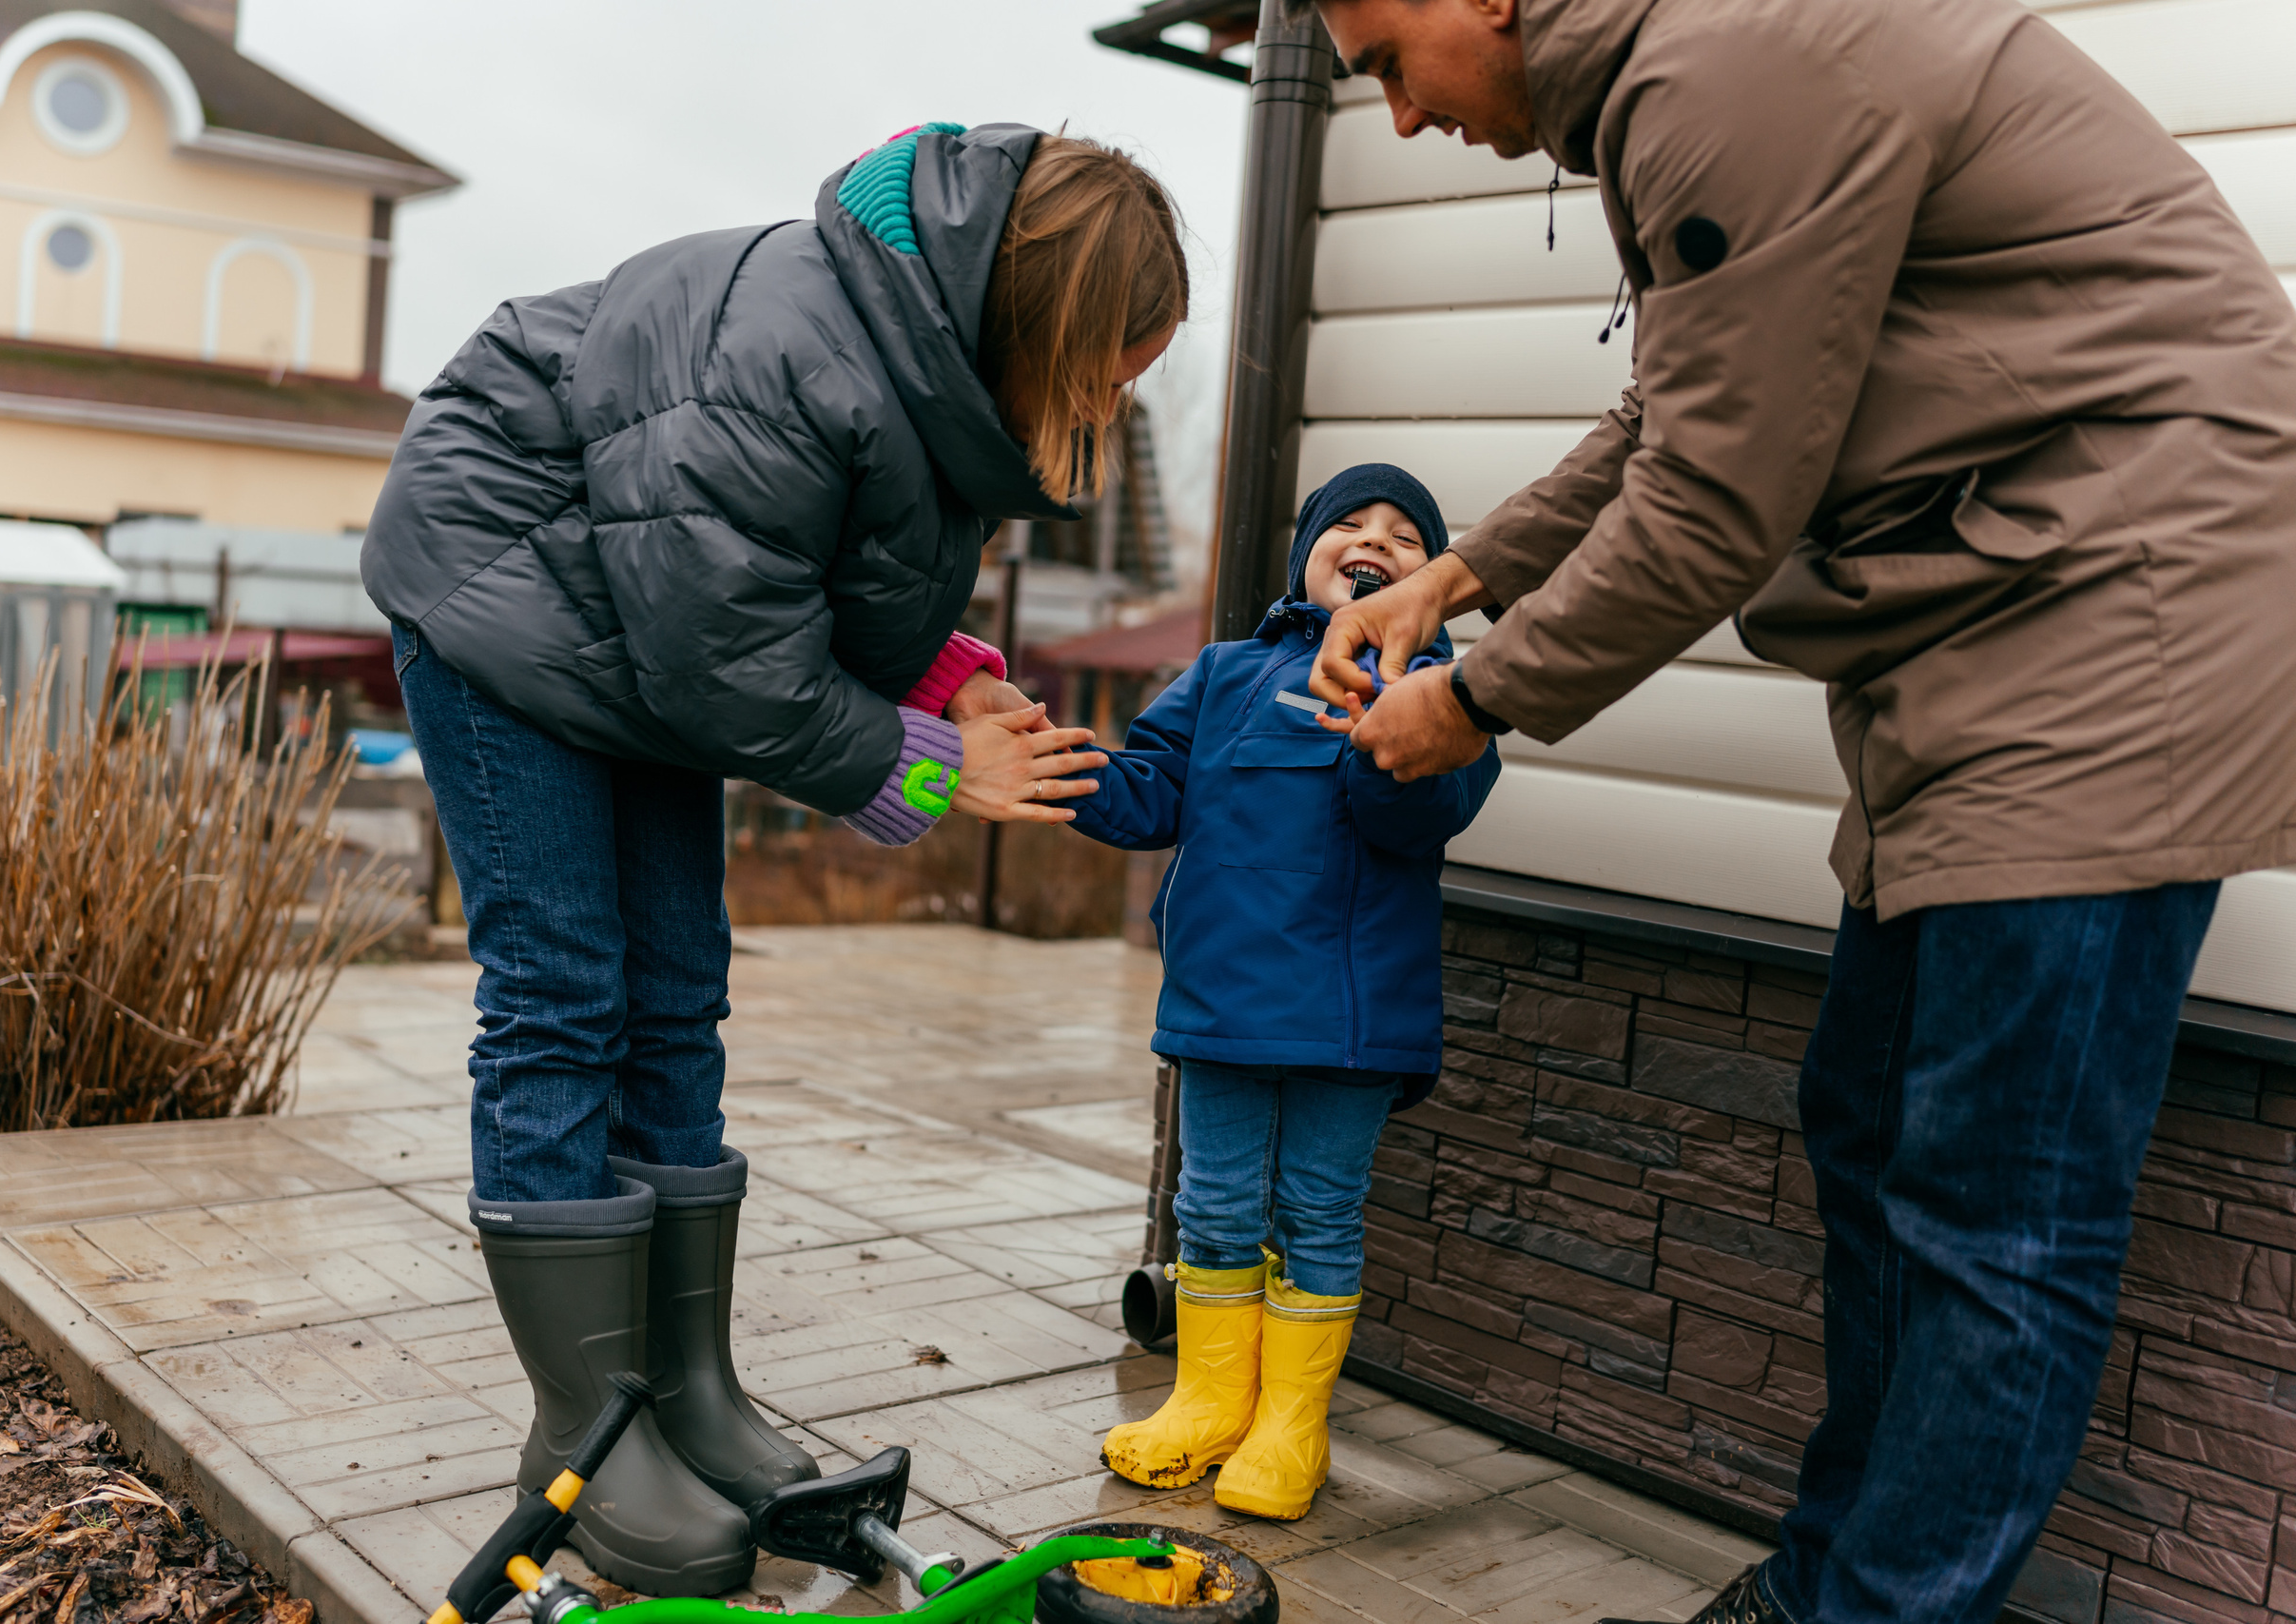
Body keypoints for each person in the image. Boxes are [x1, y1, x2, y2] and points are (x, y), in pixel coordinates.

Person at [1292, 1, 2296, 1620]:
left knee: (1997, 1214)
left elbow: (1711, 503)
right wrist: (1458, 579)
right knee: (1871, 1118)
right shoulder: (1683, 65)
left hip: (2113, 626)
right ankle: (1826, 1583)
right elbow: (1673, 421)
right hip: (1988, 631)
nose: (1398, 118)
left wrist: (1473, 695)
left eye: (1388, 59)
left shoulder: (1724, 64)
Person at [360, 124, 1185, 1596]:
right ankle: (588, 1431)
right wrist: (934, 768)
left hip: (634, 620)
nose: (1115, 402)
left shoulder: (925, 380)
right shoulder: (793, 348)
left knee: (677, 983)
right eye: (1112, 366)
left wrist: (949, 687)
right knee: (563, 987)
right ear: (1042, 320)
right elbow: (721, 651)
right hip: (504, 586)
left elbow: (806, 583)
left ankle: (682, 1392)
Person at [1065, 465, 1498, 1521]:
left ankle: (1289, 1426)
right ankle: (1208, 1402)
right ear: (1306, 555)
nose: (1374, 541)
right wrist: (1061, 766)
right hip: (1220, 1003)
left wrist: (1382, 715)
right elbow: (1149, 791)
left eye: (1406, 537)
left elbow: (1416, 820)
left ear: (1433, 581)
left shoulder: (1451, 695)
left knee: (1314, 1208)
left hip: (1354, 1017)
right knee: (1209, 1204)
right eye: (1347, 525)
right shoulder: (1223, 674)